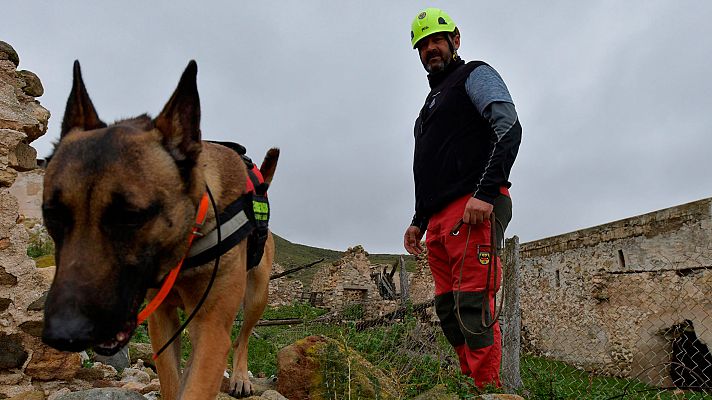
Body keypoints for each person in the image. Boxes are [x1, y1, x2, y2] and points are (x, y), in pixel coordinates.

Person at [403, 7, 522, 388]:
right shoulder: (428, 107)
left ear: (455, 40)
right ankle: (470, 381)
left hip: (474, 205)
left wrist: (485, 193)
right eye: (423, 45)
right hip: (438, 218)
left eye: (437, 39)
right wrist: (418, 220)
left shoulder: (474, 75)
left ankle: (489, 389)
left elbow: (509, 128)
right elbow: (433, 167)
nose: (431, 49)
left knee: (472, 302)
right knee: (447, 309)